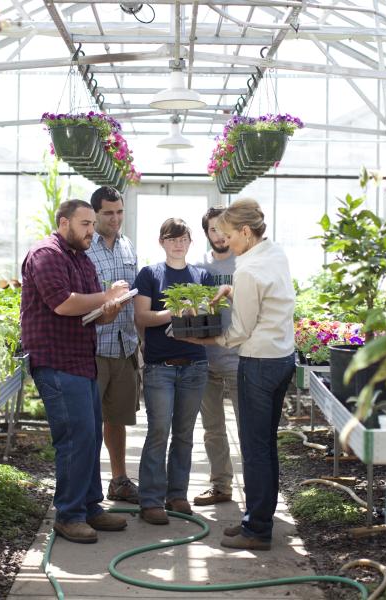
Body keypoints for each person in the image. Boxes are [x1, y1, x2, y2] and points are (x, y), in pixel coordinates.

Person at [187, 198, 295, 551]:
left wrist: (201, 337)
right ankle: (257, 519)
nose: (226, 241)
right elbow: (269, 296)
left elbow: (239, 332)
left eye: (230, 235)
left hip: (258, 364)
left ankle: (257, 530)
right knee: (266, 445)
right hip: (281, 359)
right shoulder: (273, 252)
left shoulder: (247, 269)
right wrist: (231, 290)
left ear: (246, 232)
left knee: (255, 448)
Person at [20, 199, 130, 544]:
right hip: (56, 362)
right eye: (85, 224)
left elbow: (93, 312)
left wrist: (109, 310)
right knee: (73, 439)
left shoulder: (82, 260)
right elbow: (63, 303)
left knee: (90, 437)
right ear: (64, 222)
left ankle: (90, 507)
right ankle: (68, 515)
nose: (90, 231)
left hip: (82, 360)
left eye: (92, 225)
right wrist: (104, 296)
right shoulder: (46, 255)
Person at [133, 218, 214, 525]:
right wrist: (173, 312)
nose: (178, 244)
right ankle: (151, 500)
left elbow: (208, 317)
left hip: (194, 364)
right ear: (162, 242)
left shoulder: (201, 275)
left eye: (183, 239)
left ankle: (177, 494)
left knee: (184, 433)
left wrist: (198, 312)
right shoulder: (150, 274)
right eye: (172, 239)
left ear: (191, 243)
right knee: (158, 431)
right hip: (160, 368)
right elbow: (142, 316)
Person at [86, 186, 140, 504]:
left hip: (124, 345)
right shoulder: (83, 248)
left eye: (119, 211)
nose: (115, 218)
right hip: (93, 346)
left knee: (117, 417)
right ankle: (88, 487)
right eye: (108, 212)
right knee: (89, 421)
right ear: (95, 214)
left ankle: (118, 480)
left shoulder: (127, 246)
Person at [193, 207, 240, 506]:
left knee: (249, 428)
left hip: (240, 357)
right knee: (212, 428)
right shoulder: (198, 267)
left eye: (224, 230)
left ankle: (260, 493)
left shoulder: (246, 263)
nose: (219, 236)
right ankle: (221, 485)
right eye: (213, 230)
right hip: (205, 358)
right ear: (206, 232)